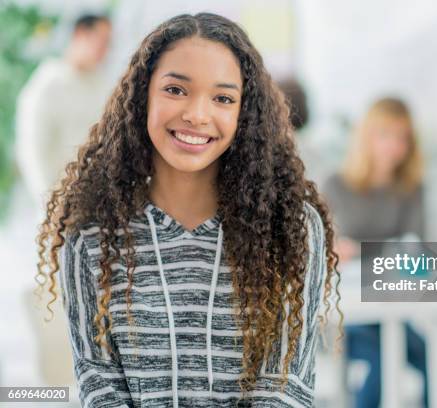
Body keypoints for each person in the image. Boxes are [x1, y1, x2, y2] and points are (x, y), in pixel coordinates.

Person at [35, 13, 341, 407]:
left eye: (223, 98)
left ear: (243, 115)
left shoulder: (290, 228)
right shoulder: (92, 237)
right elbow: (99, 382)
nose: (197, 114)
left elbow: (286, 385)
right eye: (176, 90)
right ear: (142, 95)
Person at [323, 97, 428, 407]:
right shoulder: (336, 185)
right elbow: (317, 249)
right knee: (386, 356)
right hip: (347, 313)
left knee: (428, 356)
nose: (394, 146)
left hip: (391, 304)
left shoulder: (411, 188)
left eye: (402, 137)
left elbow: (417, 251)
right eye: (385, 134)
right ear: (367, 136)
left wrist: (363, 251)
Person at [15, 13, 112, 204]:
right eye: (101, 41)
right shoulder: (46, 85)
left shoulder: (102, 86)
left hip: (99, 201)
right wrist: (51, 203)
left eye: (108, 44)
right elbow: (32, 152)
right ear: (80, 34)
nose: (105, 51)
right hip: (61, 205)